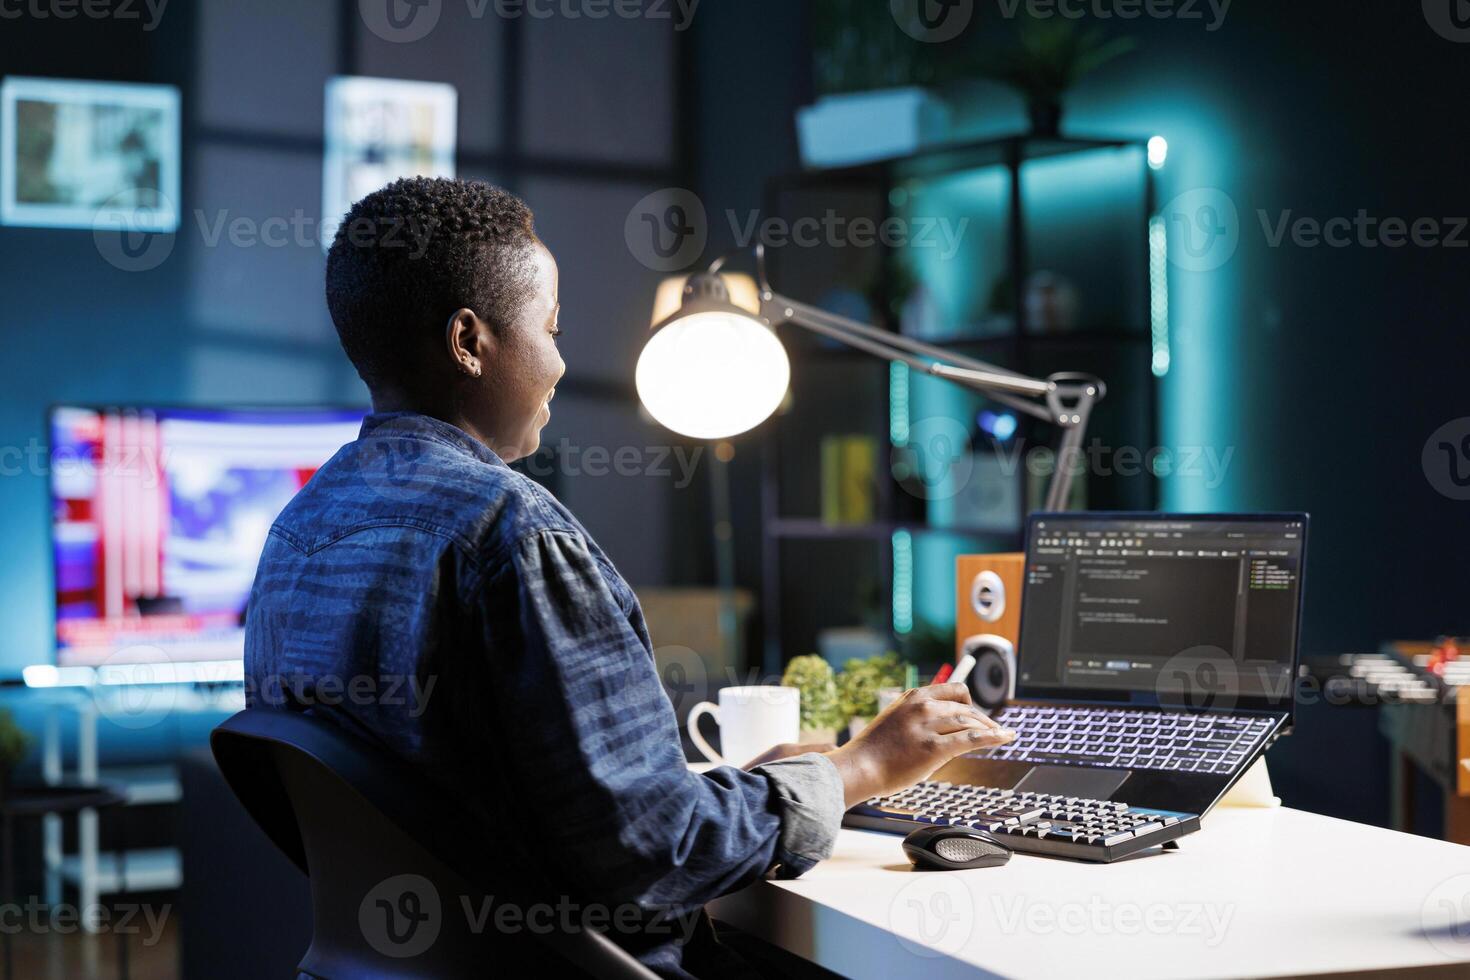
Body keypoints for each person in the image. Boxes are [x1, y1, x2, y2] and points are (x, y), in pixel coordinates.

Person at [243, 176, 1015, 978]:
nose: (562, 361)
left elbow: (482, 810)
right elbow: (653, 854)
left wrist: (750, 787)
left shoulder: (297, 530)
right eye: (551, 328)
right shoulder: (513, 535)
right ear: (470, 342)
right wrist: (858, 767)